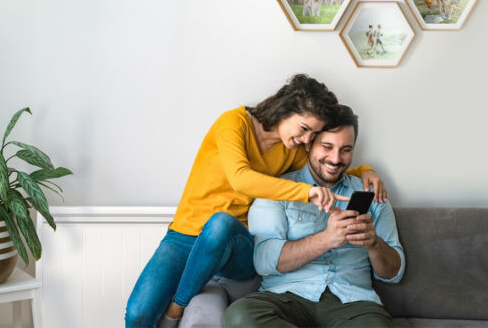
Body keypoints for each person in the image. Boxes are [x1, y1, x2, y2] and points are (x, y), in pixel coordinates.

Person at [124, 75, 388, 328]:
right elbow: (241, 178)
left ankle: (176, 309)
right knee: (137, 314)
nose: (306, 140)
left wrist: (365, 170)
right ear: (285, 110)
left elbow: (327, 165)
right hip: (186, 233)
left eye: (313, 134)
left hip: (234, 242)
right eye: (305, 129)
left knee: (220, 225)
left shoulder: (291, 150)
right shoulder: (234, 123)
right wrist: (305, 192)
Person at [224, 104, 405, 328]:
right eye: (327, 146)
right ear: (309, 144)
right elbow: (263, 261)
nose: (335, 158)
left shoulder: (373, 193)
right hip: (286, 300)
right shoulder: (277, 189)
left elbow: (394, 273)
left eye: (345, 149)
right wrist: (326, 239)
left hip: (355, 306)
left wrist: (374, 243)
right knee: (240, 316)